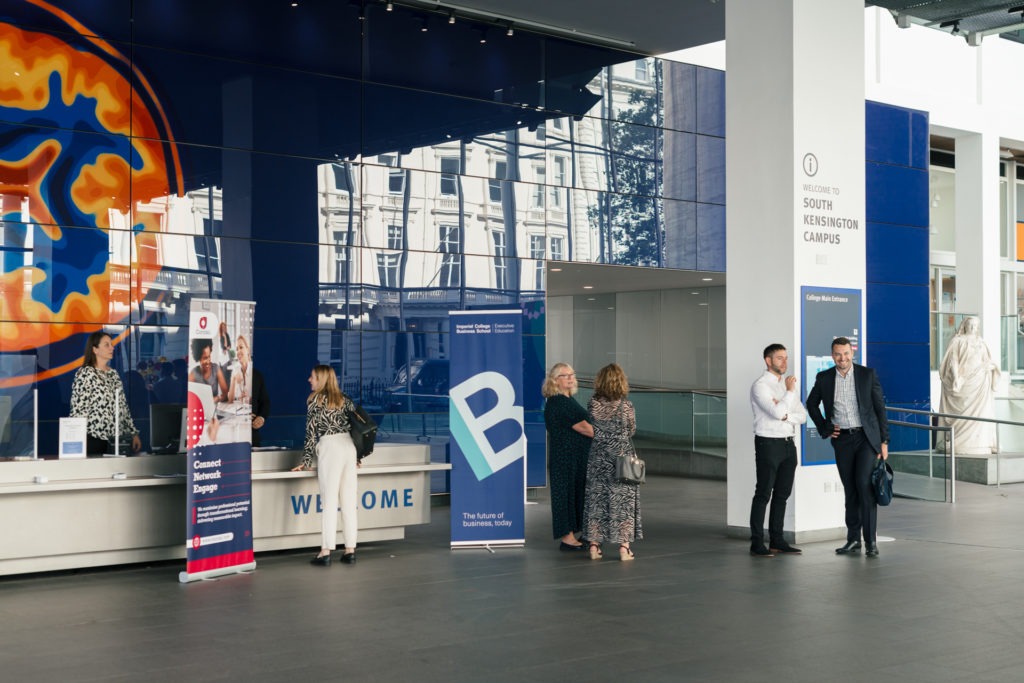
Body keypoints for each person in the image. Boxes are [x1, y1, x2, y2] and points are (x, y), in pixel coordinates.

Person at [806, 337, 889, 558]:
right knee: (850, 489)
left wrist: (884, 441)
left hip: (865, 439)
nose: (842, 358)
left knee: (864, 485)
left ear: (852, 353)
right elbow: (811, 403)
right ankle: (853, 540)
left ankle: (870, 541)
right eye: (837, 354)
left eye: (845, 354)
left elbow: (880, 409)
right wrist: (825, 427)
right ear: (832, 355)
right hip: (842, 440)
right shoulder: (824, 378)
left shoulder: (866, 374)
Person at [291, 365, 358, 567]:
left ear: (320, 379)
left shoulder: (315, 400)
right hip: (349, 448)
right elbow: (357, 427)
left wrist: (305, 461)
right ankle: (350, 550)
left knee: (329, 501)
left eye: (312, 377)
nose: (309, 380)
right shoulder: (344, 399)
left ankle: (326, 551)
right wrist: (358, 456)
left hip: (330, 447)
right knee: (348, 501)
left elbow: (311, 433)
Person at [748, 343, 806, 557]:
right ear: (768, 360)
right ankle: (756, 543)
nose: (785, 362)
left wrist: (785, 413)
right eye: (780, 358)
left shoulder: (784, 386)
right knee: (763, 493)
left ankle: (777, 540)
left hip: (788, 444)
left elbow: (802, 415)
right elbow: (776, 412)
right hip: (768, 443)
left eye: (786, 358)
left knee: (782, 494)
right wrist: (788, 395)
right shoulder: (760, 386)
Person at [581, 363, 641, 561]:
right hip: (622, 458)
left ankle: (594, 546)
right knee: (623, 502)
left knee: (596, 500)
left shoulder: (593, 403)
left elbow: (593, 427)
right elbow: (631, 430)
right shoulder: (626, 406)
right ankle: (624, 549)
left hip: (598, 457)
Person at [542, 362, 593, 551]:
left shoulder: (567, 399)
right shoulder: (560, 402)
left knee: (574, 494)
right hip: (566, 458)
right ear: (555, 380)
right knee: (565, 496)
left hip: (574, 457)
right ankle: (568, 539)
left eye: (572, 374)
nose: (571, 378)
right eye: (566, 375)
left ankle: (573, 534)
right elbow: (587, 430)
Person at [70, 331, 141, 456]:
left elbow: (123, 407)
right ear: (95, 350)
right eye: (106, 345)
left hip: (116, 439)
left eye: (111, 344)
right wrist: (76, 438)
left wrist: (133, 433)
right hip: (93, 437)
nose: (112, 348)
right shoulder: (85, 373)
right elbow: (78, 409)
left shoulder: (113, 374)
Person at [939, 316, 999, 455]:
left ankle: (981, 442)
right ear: (965, 325)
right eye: (970, 325)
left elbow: (986, 359)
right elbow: (952, 360)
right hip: (964, 380)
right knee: (962, 409)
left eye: (975, 325)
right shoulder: (957, 341)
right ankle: (960, 441)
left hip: (979, 381)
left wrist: (990, 366)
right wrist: (955, 377)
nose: (973, 328)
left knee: (981, 411)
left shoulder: (981, 342)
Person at [189, 338, 228, 403]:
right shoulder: (193, 374)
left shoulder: (216, 369)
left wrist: (217, 398)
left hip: (213, 408)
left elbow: (226, 394)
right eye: (205, 358)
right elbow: (189, 399)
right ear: (198, 358)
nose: (208, 361)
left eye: (209, 356)